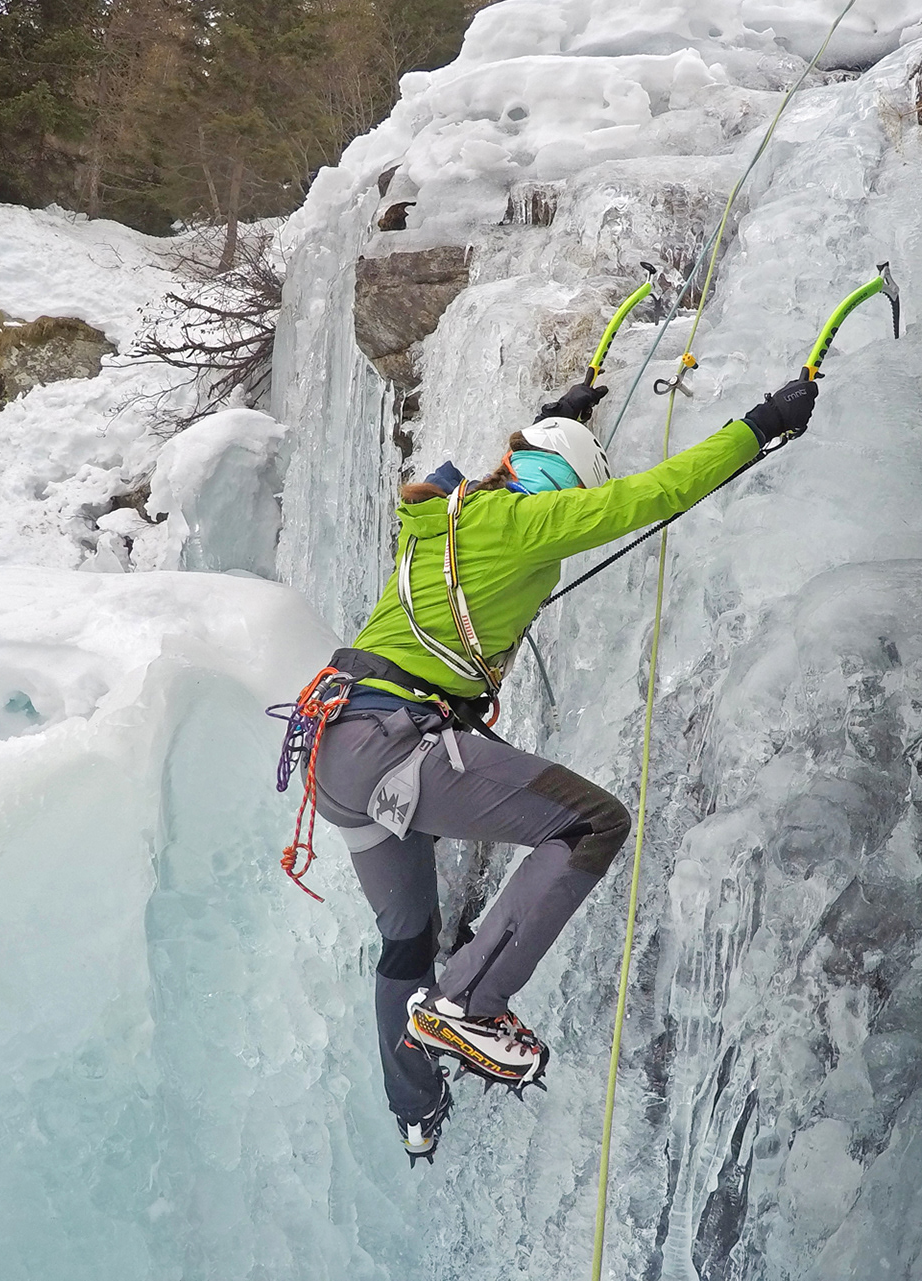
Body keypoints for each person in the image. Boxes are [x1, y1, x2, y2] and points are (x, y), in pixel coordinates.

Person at [299, 373, 820, 1165]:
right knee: (590, 821)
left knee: (409, 943)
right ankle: (471, 1001)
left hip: (336, 754)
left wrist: (550, 418)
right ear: (558, 490)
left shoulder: (452, 515)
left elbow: (511, 473)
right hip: (395, 742)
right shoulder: (526, 520)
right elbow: (650, 496)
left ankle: (416, 1109)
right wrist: (761, 424)